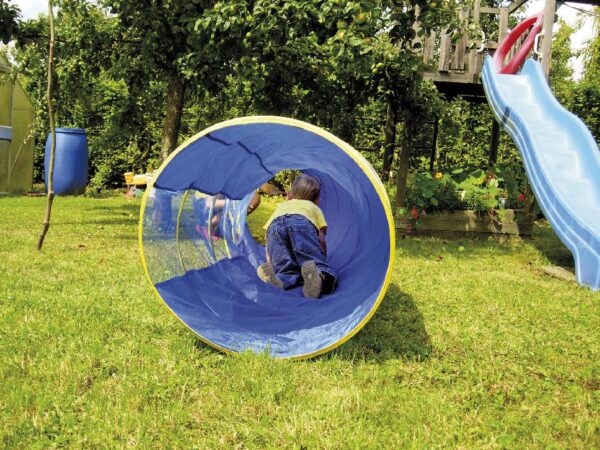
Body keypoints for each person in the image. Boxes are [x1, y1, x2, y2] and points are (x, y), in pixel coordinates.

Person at [257, 173, 337, 298]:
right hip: (301, 223)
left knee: (285, 270)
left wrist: (273, 264)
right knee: (314, 263)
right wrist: (322, 260)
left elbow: (269, 244)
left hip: (275, 227)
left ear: (290, 194)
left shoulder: (282, 206)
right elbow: (321, 241)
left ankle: (279, 280)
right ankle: (316, 275)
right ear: (317, 200)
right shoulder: (314, 208)